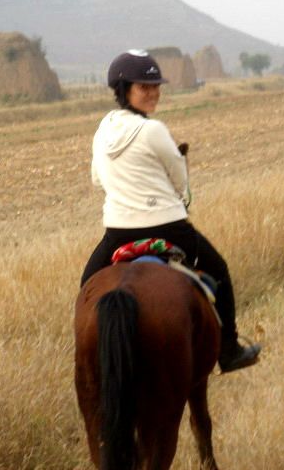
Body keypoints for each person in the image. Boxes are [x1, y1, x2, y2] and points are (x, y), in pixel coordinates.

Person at [81, 49, 261, 373]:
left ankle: (89, 359)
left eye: (156, 85)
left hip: (118, 232)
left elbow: (97, 179)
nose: (153, 92)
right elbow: (180, 179)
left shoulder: (103, 128)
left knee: (86, 288)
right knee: (219, 271)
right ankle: (230, 350)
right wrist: (175, 191)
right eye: (144, 86)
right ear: (124, 90)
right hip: (168, 227)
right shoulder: (154, 130)